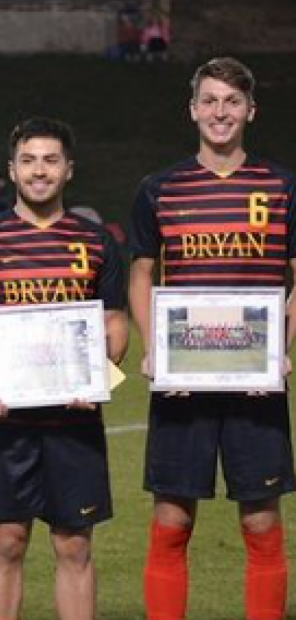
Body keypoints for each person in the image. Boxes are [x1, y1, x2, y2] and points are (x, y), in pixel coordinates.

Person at [131, 57, 294, 620]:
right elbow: (142, 274)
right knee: (172, 520)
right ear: (192, 109)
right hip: (184, 382)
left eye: (231, 101)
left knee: (261, 521)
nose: (219, 112)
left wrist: (284, 348)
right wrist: (154, 347)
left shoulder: (281, 186)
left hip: (256, 381)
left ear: (250, 110)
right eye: (209, 101)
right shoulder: (159, 189)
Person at [0, 118, 128, 620]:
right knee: (7, 542)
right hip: (8, 421)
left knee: (74, 546)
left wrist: (99, 379)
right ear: (12, 170)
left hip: (74, 423)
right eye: (29, 160)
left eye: (51, 160)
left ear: (68, 170)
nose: (39, 170)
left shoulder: (97, 242)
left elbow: (116, 324)